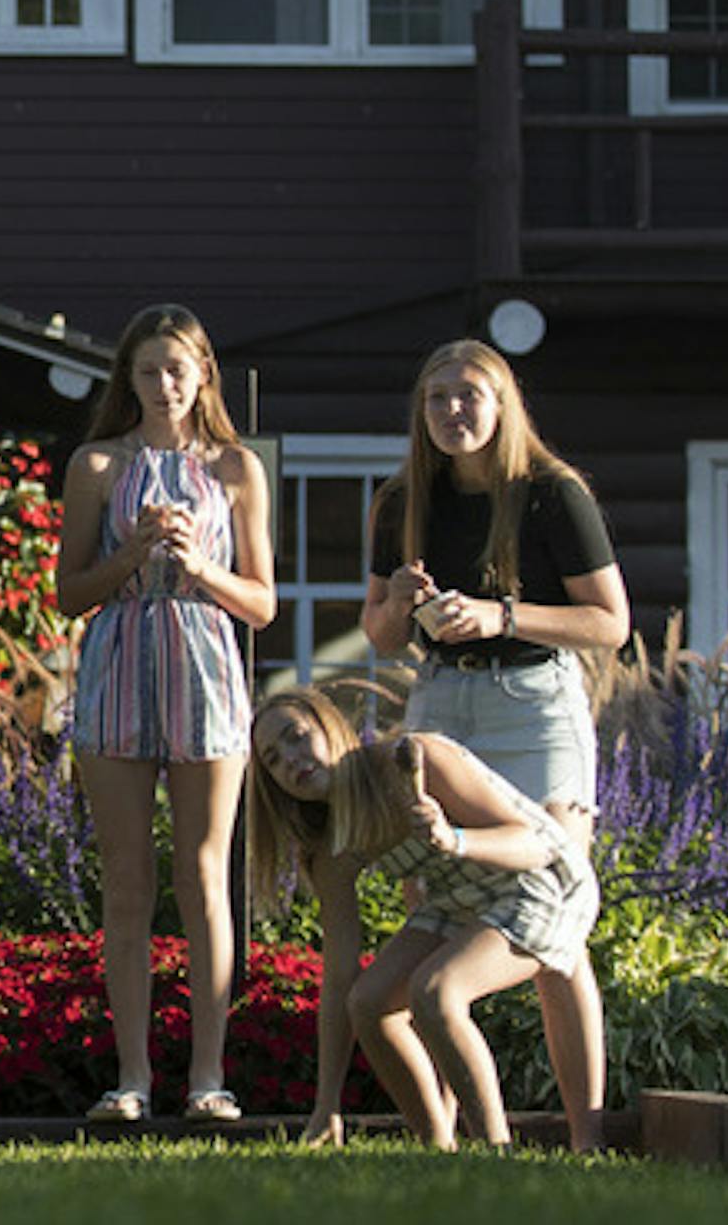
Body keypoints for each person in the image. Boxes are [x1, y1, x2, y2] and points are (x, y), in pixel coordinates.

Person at [359, 339, 628, 1151]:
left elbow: (609, 623)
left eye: (469, 394)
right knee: (437, 899)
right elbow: (376, 633)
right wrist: (402, 604)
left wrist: (502, 614)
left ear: (503, 402)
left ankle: (586, 1141)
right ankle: (445, 1135)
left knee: (555, 913)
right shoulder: (403, 499)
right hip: (443, 697)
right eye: (437, 398)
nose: (452, 411)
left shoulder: (551, 494)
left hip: (535, 705)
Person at [53, 302, 275, 1124]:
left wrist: (198, 565)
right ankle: (134, 1075)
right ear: (129, 378)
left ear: (203, 373)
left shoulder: (235, 469)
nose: (163, 385)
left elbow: (261, 603)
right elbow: (70, 591)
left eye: (177, 369)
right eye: (147, 371)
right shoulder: (98, 466)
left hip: (206, 667)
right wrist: (132, 555)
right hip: (117, 663)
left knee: (204, 874)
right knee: (127, 882)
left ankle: (209, 1074)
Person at [250, 686, 598, 1149]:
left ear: (331, 727)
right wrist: (326, 1104)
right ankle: (438, 1146)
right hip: (457, 900)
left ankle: (496, 1152)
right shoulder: (329, 846)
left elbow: (534, 845)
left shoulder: (414, 761)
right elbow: (339, 978)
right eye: (273, 760)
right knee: (369, 1002)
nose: (290, 760)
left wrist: (453, 838)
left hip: (541, 884)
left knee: (436, 991)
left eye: (296, 736)